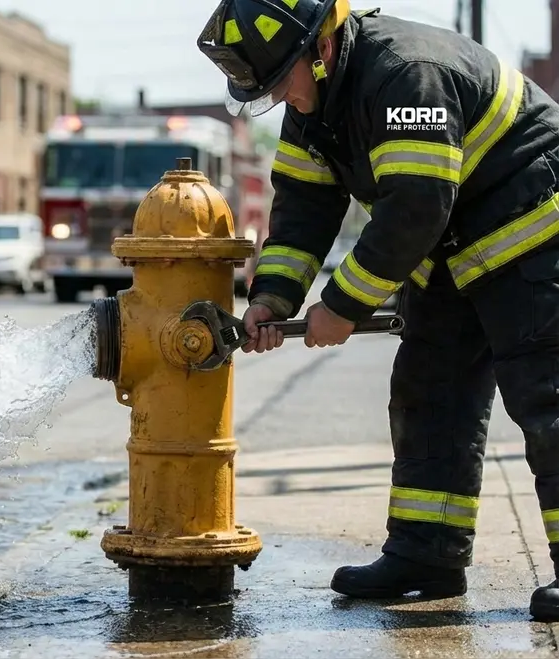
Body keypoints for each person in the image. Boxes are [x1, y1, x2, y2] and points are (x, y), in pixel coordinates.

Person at [197, 0, 559, 620]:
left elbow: (417, 205)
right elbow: (303, 211)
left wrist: (340, 306)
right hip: (454, 250)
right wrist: (271, 299)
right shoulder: (314, 105)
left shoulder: (405, 74)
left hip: (533, 234)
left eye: (283, 81)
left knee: (547, 399)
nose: (283, 98)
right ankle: (427, 555)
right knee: (429, 393)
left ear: (324, 48)